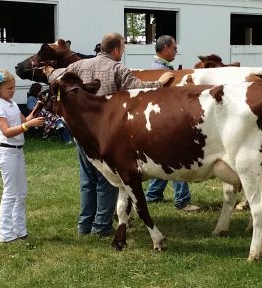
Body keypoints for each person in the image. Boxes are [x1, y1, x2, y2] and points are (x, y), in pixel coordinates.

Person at [54, 32, 173, 237]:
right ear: (116, 50)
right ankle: (101, 226)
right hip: (106, 134)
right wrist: (160, 83)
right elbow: (138, 88)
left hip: (82, 134)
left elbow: (57, 77)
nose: (123, 52)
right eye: (123, 48)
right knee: (107, 181)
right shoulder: (117, 68)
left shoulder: (78, 66)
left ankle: (84, 225)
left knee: (87, 180)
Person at [144, 35, 200, 213]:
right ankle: (182, 200)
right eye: (174, 48)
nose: (176, 51)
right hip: (165, 121)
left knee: (164, 158)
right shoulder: (161, 71)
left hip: (157, 122)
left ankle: (153, 194)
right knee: (176, 157)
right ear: (166, 47)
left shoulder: (158, 68)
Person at [0, 68, 42, 243]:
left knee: (21, 192)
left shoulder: (11, 104)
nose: (13, 91)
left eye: (13, 87)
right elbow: (7, 132)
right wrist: (29, 125)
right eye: (9, 88)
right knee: (10, 193)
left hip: (17, 151)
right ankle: (5, 234)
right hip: (6, 151)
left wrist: (38, 108)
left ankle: (20, 230)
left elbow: (25, 120)